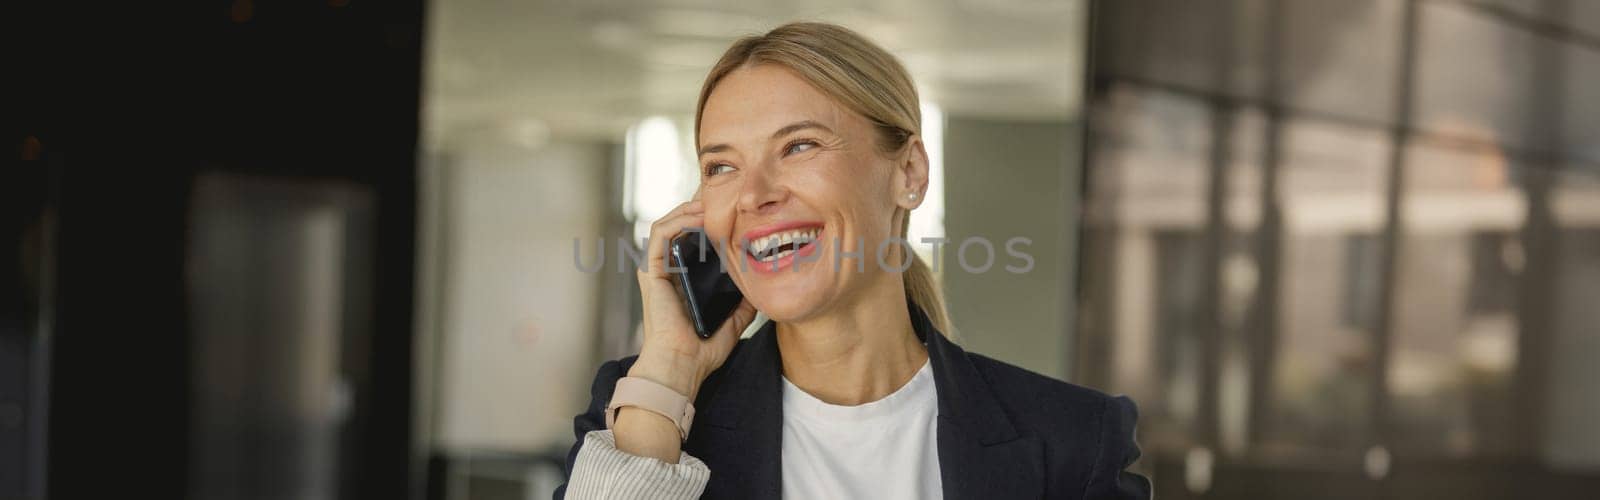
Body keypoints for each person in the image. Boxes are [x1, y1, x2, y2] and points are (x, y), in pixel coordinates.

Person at [555, 21, 1150, 500]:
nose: (754, 193)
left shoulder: (1071, 440)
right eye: (721, 166)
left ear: (909, 173)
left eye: (800, 145)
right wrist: (671, 368)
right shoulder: (646, 420)